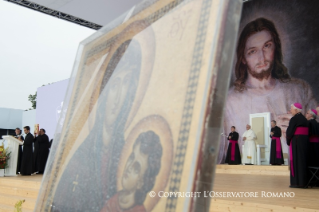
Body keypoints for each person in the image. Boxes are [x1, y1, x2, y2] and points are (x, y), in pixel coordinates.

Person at [220, 17, 318, 163]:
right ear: (243, 58)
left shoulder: (299, 89)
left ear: (275, 47)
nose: (262, 57)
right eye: (253, 51)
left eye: (267, 46)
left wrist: (302, 128)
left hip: (295, 172)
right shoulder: (229, 102)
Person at [100, 131, 162, 212]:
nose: (129, 167)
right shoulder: (113, 201)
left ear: (141, 182)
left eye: (136, 169)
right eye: (131, 158)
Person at [286, 103, 309, 188]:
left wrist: (288, 140)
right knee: (303, 161)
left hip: (296, 142)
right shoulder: (304, 119)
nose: (290, 110)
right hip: (304, 142)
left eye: (291, 108)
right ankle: (303, 182)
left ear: (296, 109)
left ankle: (297, 183)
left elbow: (289, 132)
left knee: (296, 161)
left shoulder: (294, 119)